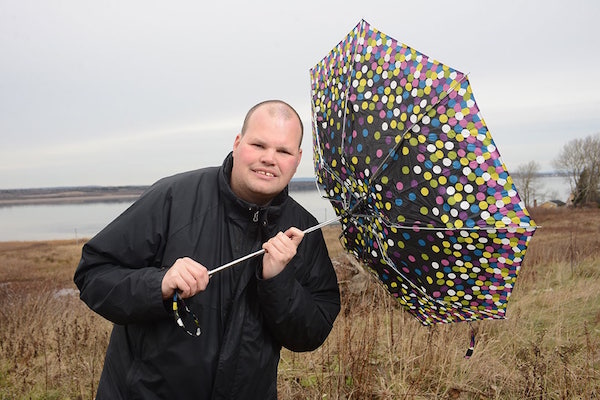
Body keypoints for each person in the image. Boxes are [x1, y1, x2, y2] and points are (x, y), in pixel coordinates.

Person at [74, 99, 341, 399]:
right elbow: (93, 274)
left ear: (298, 158)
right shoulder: (174, 198)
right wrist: (158, 284)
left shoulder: (303, 230)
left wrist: (278, 280)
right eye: (258, 145)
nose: (269, 158)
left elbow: (311, 333)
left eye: (283, 151)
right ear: (238, 143)